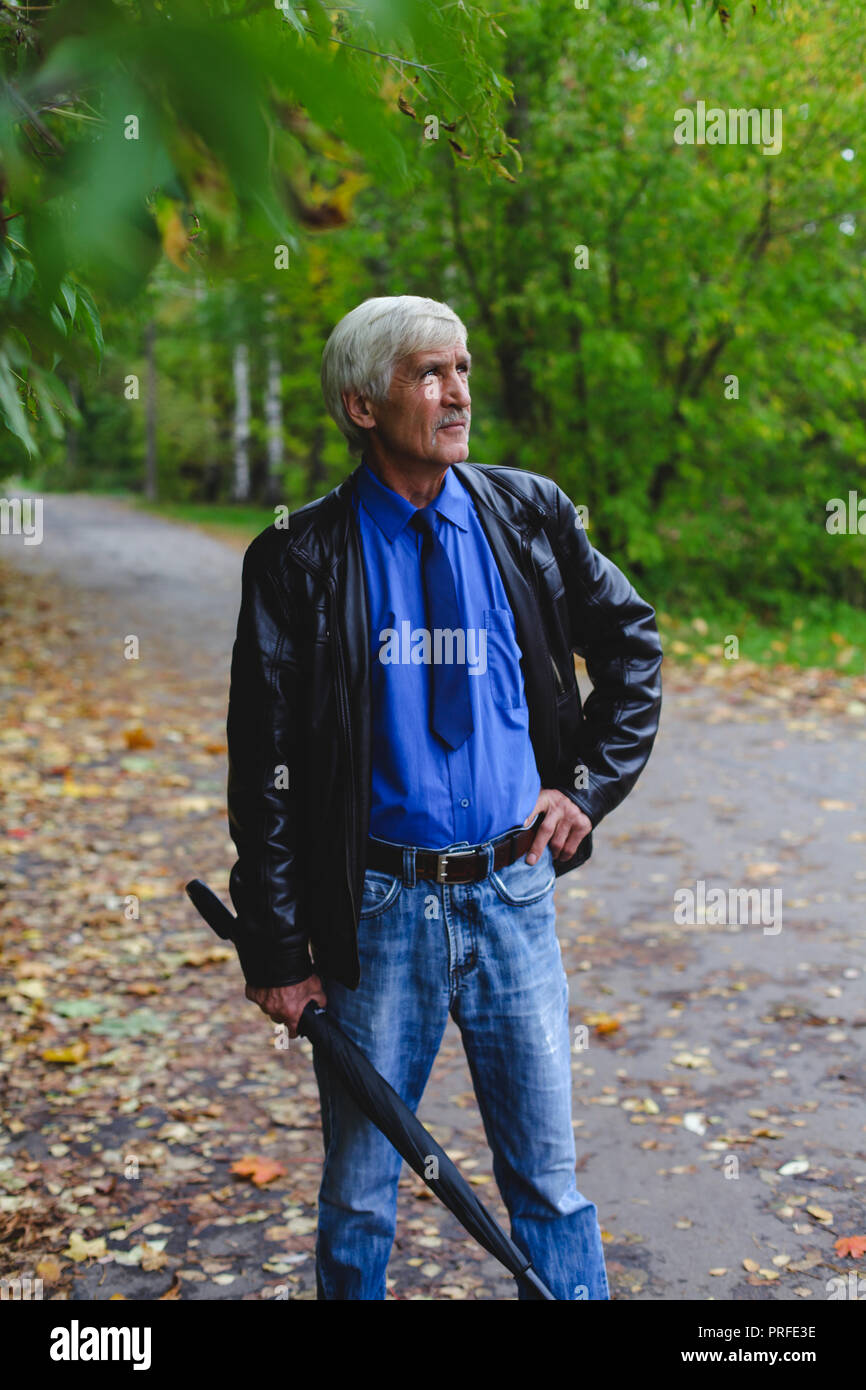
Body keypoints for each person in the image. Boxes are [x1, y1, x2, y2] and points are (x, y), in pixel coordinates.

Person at [225, 294, 663, 1300]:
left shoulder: (528, 515)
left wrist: (585, 789)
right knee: (362, 1193)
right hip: (376, 916)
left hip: (513, 897)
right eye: (428, 373)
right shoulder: (297, 556)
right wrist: (279, 947)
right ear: (363, 404)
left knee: (547, 1186)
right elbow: (267, 767)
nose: (456, 391)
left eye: (460, 369)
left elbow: (631, 642)